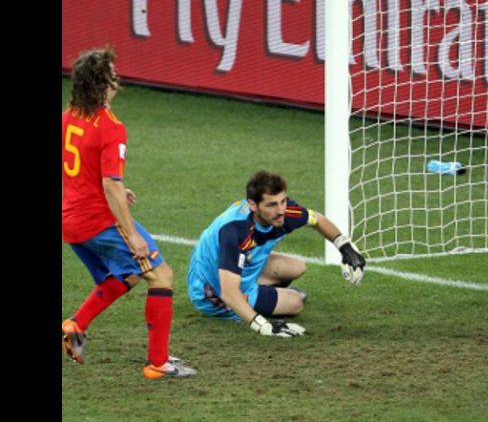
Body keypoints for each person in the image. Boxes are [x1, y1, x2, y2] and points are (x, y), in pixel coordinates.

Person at [62, 46, 196, 378]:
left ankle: (75, 326)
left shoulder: (68, 117)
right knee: (161, 275)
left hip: (71, 220)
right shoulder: (110, 126)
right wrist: (132, 235)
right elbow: (109, 185)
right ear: (103, 83)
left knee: (129, 274)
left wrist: (117, 187)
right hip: (98, 220)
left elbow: (81, 170)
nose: (117, 78)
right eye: (112, 73)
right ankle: (158, 364)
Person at [187, 170, 366, 336]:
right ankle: (250, 304)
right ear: (253, 205)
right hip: (212, 290)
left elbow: (317, 219)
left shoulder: (284, 212)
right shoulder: (235, 231)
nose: (280, 210)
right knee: (295, 303)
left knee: (297, 267)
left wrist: (345, 247)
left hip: (239, 269)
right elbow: (228, 293)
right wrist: (264, 325)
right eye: (272, 204)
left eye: (283, 201)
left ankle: (261, 295)